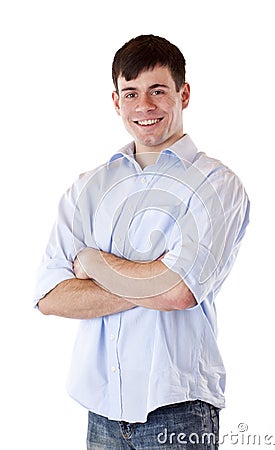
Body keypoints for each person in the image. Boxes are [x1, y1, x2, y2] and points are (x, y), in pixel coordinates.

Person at [34, 34, 250, 449]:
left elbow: (180, 291)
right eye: (130, 93)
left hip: (179, 409)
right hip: (101, 413)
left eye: (157, 91)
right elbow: (49, 296)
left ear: (183, 94)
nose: (144, 106)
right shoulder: (88, 188)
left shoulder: (216, 184)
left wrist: (93, 263)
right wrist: (152, 278)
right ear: (116, 101)